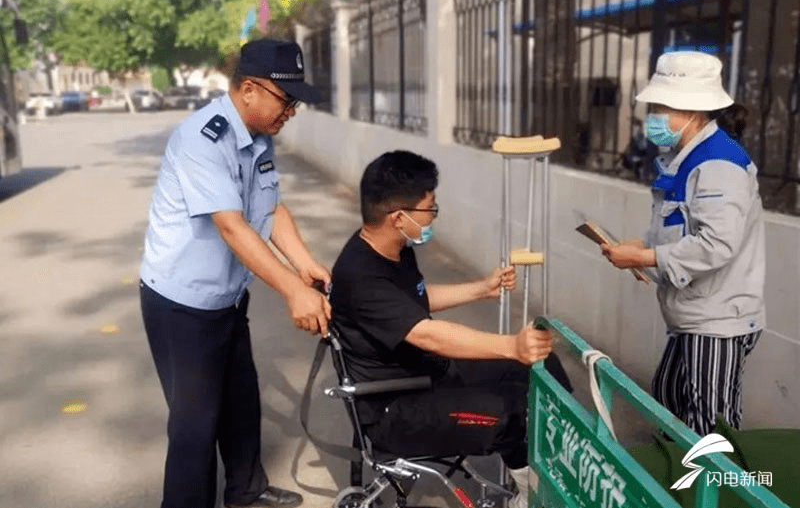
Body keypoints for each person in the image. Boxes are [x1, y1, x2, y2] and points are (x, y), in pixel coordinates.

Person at [140, 38, 331, 508]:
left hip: (225, 298)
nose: (291, 111)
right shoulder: (201, 138)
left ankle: (246, 491)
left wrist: (306, 266)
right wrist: (292, 290)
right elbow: (231, 225)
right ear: (249, 89)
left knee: (241, 404)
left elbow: (270, 208)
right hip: (181, 304)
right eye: (287, 100)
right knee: (195, 425)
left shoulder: (258, 137)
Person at [329, 150, 572, 508]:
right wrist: (510, 346)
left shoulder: (393, 248)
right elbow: (427, 334)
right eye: (430, 209)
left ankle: (559, 467)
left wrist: (480, 289)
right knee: (513, 412)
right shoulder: (361, 274)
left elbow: (415, 298)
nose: (433, 217)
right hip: (395, 409)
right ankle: (534, 498)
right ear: (399, 217)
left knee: (542, 367)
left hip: (424, 376)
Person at [601, 51, 765, 436]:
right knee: (669, 398)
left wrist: (643, 256)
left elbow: (716, 244)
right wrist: (640, 247)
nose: (653, 115)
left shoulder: (719, 165)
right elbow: (680, 228)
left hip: (717, 319)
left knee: (709, 428)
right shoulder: (685, 158)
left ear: (692, 110)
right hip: (693, 314)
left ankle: (715, 495)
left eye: (661, 106)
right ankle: (678, 489)